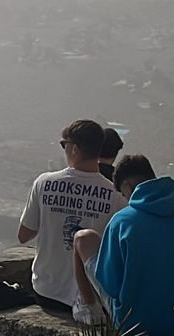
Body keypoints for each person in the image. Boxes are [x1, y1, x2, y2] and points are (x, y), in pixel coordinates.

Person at [72, 153, 174, 336]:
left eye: (123, 194)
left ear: (128, 186)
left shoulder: (122, 222)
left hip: (136, 326)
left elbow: (110, 284)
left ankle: (87, 309)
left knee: (83, 238)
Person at [17, 119, 119, 315]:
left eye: (65, 145)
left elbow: (24, 235)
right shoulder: (115, 195)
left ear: (75, 149)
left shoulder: (44, 183)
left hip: (47, 292)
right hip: (92, 296)